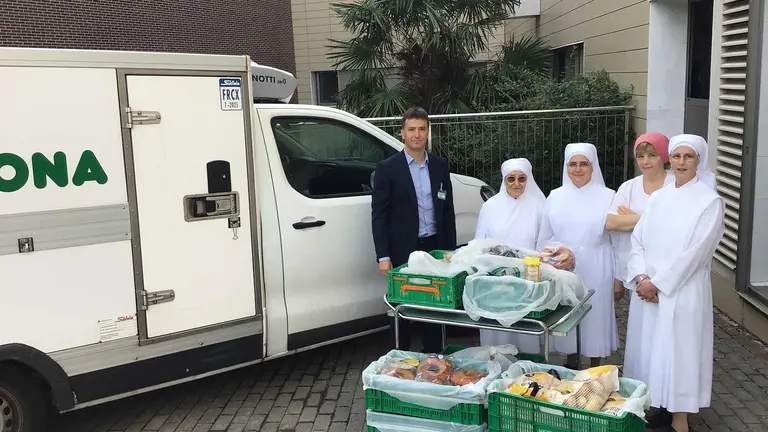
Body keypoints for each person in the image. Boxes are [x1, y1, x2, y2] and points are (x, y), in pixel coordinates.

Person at [625, 134, 725, 432]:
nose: (681, 162)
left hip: (683, 292)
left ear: (699, 161)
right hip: (648, 292)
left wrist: (657, 284)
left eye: (689, 157)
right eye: (677, 156)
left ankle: (680, 418)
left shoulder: (710, 202)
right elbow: (637, 241)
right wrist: (642, 278)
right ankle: (653, 403)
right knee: (650, 348)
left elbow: (696, 254)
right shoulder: (659, 197)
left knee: (680, 351)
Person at [371, 106, 457, 353]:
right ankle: (401, 361)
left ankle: (435, 359)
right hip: (402, 251)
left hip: (434, 248)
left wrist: (450, 250)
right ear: (402, 133)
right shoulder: (388, 168)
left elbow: (447, 209)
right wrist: (383, 256)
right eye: (411, 129)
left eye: (421, 129)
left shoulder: (440, 165)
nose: (417, 134)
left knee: (435, 305)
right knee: (402, 308)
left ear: (428, 132)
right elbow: (379, 215)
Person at [537, 143, 618, 369]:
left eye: (583, 164)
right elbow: (543, 239)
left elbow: (618, 242)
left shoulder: (609, 196)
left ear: (593, 167)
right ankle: (570, 362)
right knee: (567, 314)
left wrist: (619, 278)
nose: (578, 169)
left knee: (596, 316)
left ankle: (595, 365)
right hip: (564, 267)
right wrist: (562, 252)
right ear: (566, 167)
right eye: (573, 164)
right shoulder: (555, 196)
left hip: (599, 265)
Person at [605, 132, 674, 380]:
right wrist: (651, 220)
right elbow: (611, 222)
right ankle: (641, 382)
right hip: (638, 270)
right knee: (641, 333)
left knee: (665, 334)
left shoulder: (674, 185)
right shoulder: (629, 187)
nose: (645, 161)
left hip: (668, 271)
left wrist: (634, 219)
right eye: (640, 156)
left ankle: (664, 383)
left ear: (664, 157)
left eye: (652, 155)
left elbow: (676, 225)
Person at [474, 158, 546, 352]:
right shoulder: (490, 207)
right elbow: (480, 241)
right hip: (495, 281)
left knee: (526, 333)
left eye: (521, 179)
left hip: (527, 279)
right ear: (504, 180)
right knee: (496, 335)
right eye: (511, 179)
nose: (516, 183)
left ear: (528, 180)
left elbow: (544, 243)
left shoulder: (539, 206)